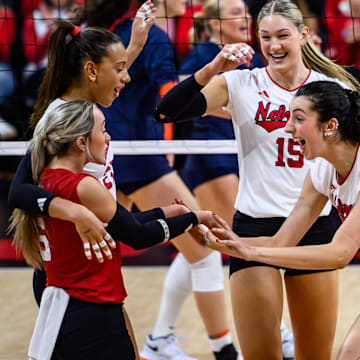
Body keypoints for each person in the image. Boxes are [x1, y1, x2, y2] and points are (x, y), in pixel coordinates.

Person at [154, 0, 360, 358]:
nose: (274, 45)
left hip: (315, 226)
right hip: (254, 223)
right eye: (265, 37)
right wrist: (213, 67)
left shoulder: (333, 88)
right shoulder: (240, 83)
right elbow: (166, 111)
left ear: (304, 35)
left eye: (283, 35)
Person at [10, 99, 221, 360]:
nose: (108, 138)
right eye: (103, 129)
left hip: (61, 311)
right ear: (81, 142)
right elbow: (137, 236)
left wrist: (168, 212)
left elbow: (123, 225)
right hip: (94, 314)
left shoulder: (42, 179)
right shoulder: (84, 186)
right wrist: (195, 218)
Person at [8, 8, 154, 356]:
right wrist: (76, 212)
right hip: (68, 280)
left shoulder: (85, 108)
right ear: (90, 70)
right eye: (120, 70)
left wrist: (133, 47)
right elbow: (18, 191)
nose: (126, 78)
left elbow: (103, 75)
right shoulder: (57, 121)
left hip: (90, 275)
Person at [100, 1, 239, 359]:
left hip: (108, 151)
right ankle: (223, 348)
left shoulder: (116, 26)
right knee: (203, 245)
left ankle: (159, 339)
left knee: (186, 246)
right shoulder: (155, 38)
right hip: (138, 153)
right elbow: (170, 99)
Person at [204, 80, 360, 360]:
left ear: (330, 125)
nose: (287, 128)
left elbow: (339, 254)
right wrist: (230, 243)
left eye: (298, 119)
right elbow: (282, 242)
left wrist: (253, 252)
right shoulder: (322, 172)